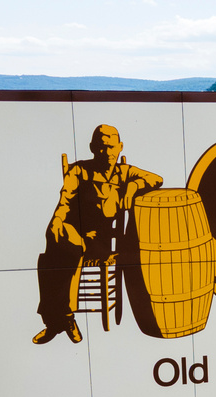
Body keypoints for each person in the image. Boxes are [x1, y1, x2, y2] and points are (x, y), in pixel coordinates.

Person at [33, 124, 163, 344]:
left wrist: (132, 187)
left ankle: (57, 321)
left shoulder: (125, 172)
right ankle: (63, 318)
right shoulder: (78, 170)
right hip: (74, 233)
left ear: (120, 147)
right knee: (57, 244)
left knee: (54, 258)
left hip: (102, 242)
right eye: (102, 147)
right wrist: (56, 222)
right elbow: (65, 201)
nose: (108, 153)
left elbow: (157, 179)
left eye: (112, 147)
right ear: (93, 147)